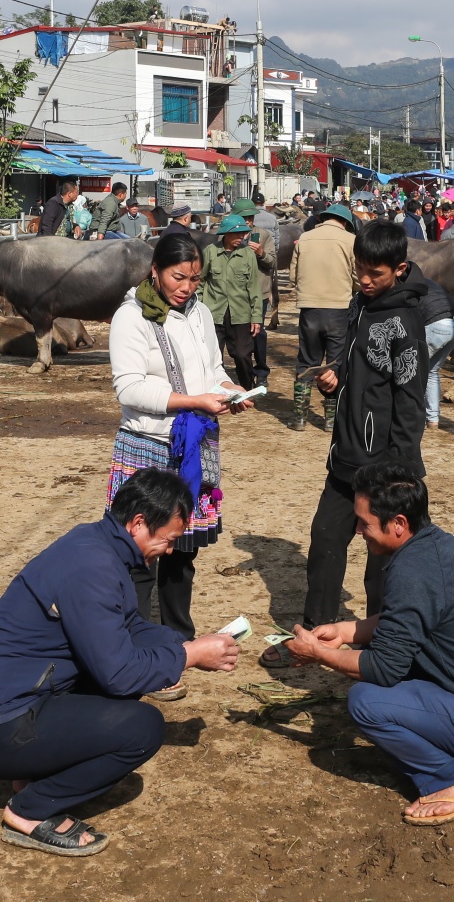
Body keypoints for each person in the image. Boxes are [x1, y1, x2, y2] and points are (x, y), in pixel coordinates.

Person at [0, 468, 241, 857]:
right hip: (1, 730)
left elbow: (127, 626)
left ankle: (29, 776)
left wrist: (185, 644)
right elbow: (120, 674)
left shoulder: (95, 544)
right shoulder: (92, 567)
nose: (170, 550)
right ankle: (30, 812)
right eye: (168, 539)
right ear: (139, 524)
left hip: (21, 703)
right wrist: (188, 657)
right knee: (142, 727)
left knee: (129, 681)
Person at [282, 463, 454, 826]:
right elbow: (407, 623)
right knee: (395, 678)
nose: (356, 530)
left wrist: (319, 654)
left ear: (398, 524)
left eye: (364, 523)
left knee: (367, 702)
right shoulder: (435, 546)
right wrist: (346, 631)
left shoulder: (412, 571)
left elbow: (384, 669)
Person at [264, 220, 427, 667]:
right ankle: (313, 636)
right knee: (324, 540)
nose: (366, 280)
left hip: (384, 467)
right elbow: (356, 370)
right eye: (361, 270)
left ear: (400, 268)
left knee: (383, 563)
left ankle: (384, 641)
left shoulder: (404, 324)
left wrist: (399, 471)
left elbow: (409, 402)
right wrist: (335, 380)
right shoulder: (359, 306)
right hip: (345, 458)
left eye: (375, 273)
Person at [107, 231, 255, 685]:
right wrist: (194, 401)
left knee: (181, 552)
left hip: (194, 445)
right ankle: (132, 649)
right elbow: (129, 387)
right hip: (149, 446)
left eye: (195, 278)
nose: (187, 287)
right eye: (179, 276)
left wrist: (230, 390)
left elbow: (212, 370)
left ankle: (177, 645)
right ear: (155, 269)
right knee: (142, 555)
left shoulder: (200, 313)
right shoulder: (130, 317)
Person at [288, 202, 357, 431]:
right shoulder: (350, 240)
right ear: (345, 222)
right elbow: (358, 277)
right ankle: (330, 420)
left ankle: (298, 418)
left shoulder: (305, 238)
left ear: (322, 219)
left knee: (307, 361)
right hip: (338, 309)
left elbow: (293, 276)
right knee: (334, 364)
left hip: (309, 309)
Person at [198, 215, 262, 391]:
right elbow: (200, 282)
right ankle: (212, 389)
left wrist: (256, 317)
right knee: (211, 355)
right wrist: (199, 308)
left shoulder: (248, 254)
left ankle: (247, 388)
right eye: (237, 234)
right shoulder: (210, 252)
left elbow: (254, 287)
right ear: (225, 234)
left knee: (242, 355)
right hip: (214, 315)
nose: (241, 238)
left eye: (243, 234)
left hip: (240, 314)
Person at [234, 197, 277, 389]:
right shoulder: (229, 236)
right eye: (244, 218)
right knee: (240, 335)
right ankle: (245, 373)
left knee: (258, 333)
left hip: (259, 292)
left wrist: (261, 253)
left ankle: (261, 371)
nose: (248, 222)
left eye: (250, 218)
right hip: (236, 293)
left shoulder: (263, 235)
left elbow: (273, 263)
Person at [413, 264, 454, 429]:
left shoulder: (407, 285)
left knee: (413, 370)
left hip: (438, 325)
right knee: (431, 371)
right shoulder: (430, 283)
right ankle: (433, 419)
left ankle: (412, 417)